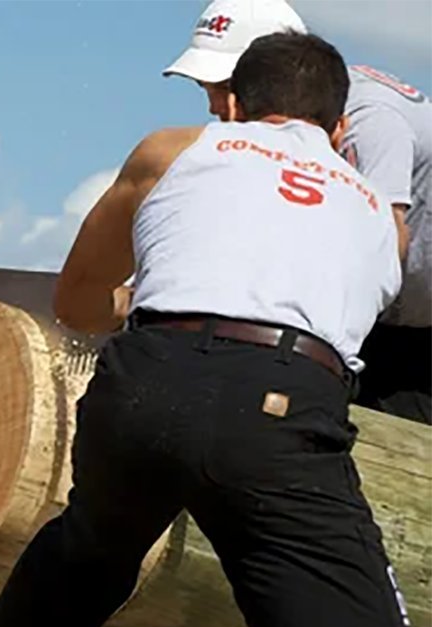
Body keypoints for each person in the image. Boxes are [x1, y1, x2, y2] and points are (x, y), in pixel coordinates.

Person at [0, 32, 423, 627]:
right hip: (282, 399)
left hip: (145, 382)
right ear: (340, 128)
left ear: (236, 106)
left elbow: (77, 300)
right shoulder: (380, 214)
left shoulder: (173, 149)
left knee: (80, 563)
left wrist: (142, 306)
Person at [163, 0, 431, 424]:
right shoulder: (291, 129)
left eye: (221, 86)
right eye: (206, 89)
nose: (215, 106)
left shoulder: (369, 120)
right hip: (383, 315)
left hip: (414, 337)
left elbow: (387, 245)